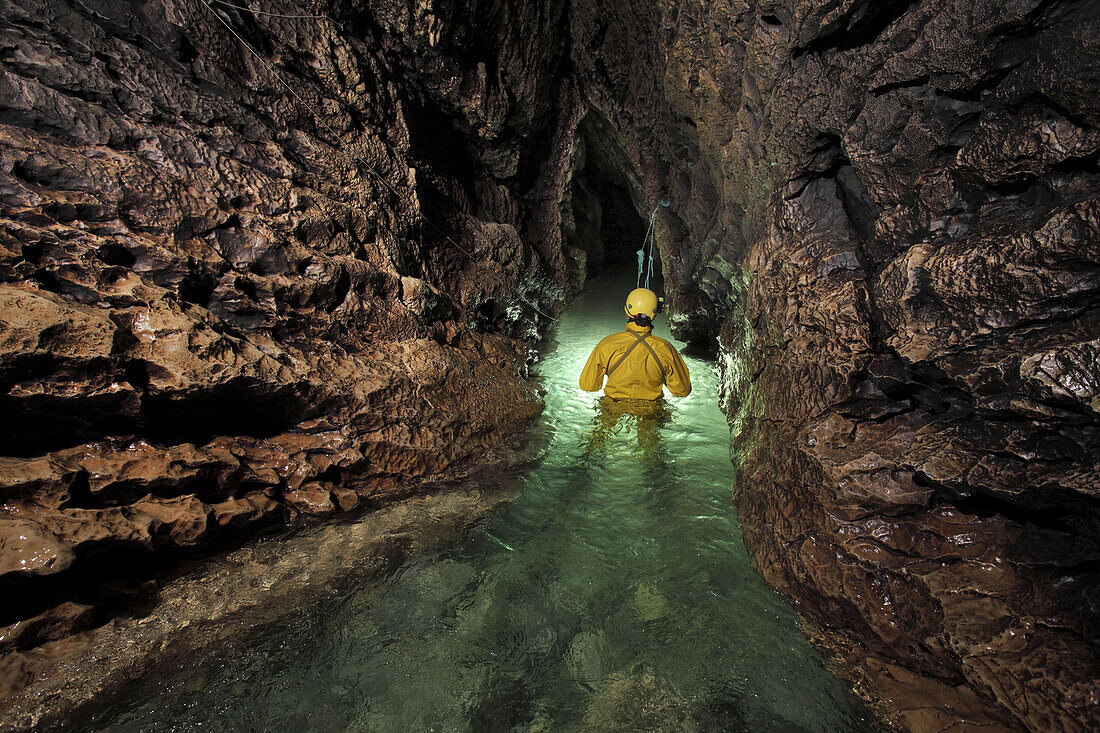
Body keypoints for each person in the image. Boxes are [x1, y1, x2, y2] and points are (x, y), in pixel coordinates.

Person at [579, 288, 691, 401]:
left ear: (627, 314)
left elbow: (587, 385)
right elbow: (682, 390)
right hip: (652, 411)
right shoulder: (665, 348)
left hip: (613, 409)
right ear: (655, 314)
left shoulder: (607, 344)